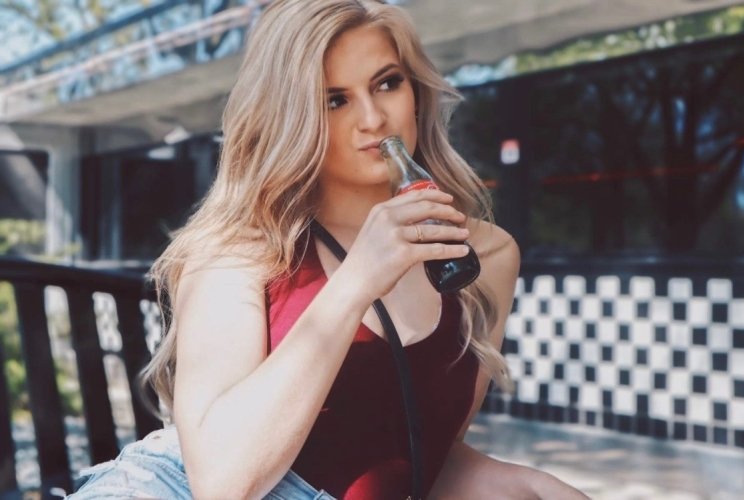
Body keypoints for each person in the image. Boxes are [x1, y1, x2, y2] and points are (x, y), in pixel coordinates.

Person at [69, 1, 589, 498]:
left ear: (416, 92)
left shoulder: (485, 256)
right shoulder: (239, 252)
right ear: (291, 117)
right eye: (334, 100)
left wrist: (515, 483)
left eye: (387, 83)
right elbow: (222, 484)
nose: (373, 119)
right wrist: (356, 282)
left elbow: (416, 446)